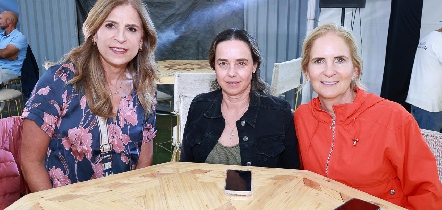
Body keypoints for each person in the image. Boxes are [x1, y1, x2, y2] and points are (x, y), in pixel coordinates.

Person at [20, 0, 159, 192]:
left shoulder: (144, 88)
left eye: (131, 29)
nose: (120, 38)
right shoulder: (59, 82)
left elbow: (144, 160)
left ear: (141, 40)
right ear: (94, 33)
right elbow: (31, 162)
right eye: (110, 25)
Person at [294, 23, 442, 210]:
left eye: (339, 60)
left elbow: (427, 192)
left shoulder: (393, 118)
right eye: (319, 61)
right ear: (306, 71)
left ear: (355, 69)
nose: (329, 71)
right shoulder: (301, 117)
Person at [180, 28, 300, 169]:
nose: (231, 73)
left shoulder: (280, 113)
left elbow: (291, 176)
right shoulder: (199, 106)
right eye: (223, 63)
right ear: (214, 66)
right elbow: (185, 169)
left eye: (241, 63)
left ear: (254, 65)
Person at [406, 28, 442, 132]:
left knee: (420, 141)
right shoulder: (440, 40)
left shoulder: (429, 37)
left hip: (420, 101)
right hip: (430, 106)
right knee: (429, 145)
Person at [0, 11, 28, 84]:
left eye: (0, 19)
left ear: (9, 21)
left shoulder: (19, 37)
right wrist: (5, 54)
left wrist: (5, 54)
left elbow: (4, 53)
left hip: (8, 71)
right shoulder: (0, 36)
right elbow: (4, 54)